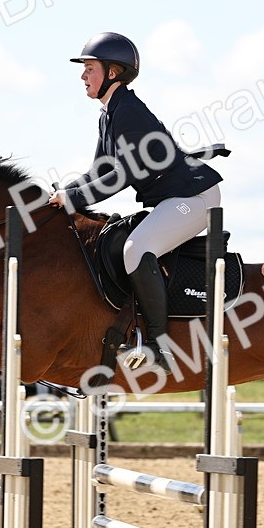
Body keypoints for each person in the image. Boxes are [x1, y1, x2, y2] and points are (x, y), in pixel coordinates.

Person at [48, 32, 223, 371]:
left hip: (194, 199)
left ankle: (160, 347)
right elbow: (98, 171)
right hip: (174, 198)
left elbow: (120, 177)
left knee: (136, 249)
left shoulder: (128, 111)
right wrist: (57, 198)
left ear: (112, 72)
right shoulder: (109, 113)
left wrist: (71, 198)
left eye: (89, 68)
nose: (83, 75)